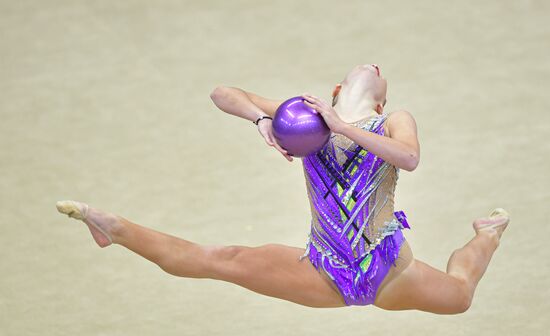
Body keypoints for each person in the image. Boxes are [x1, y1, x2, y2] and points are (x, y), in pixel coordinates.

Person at [56, 64, 509, 314]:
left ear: (380, 100)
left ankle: (487, 231)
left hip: (392, 269)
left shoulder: (391, 120)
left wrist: (340, 126)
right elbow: (222, 93)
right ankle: (113, 227)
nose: (374, 65)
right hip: (323, 272)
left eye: (381, 73)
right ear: (337, 88)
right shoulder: (303, 115)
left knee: (460, 295)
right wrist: (260, 118)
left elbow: (408, 158)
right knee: (220, 260)